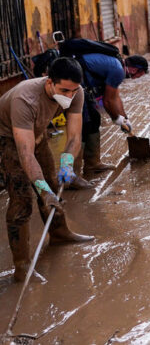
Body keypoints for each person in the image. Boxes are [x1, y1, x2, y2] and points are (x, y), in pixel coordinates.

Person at [1, 57, 94, 282]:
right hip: (7, 140)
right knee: (22, 198)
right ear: (49, 82)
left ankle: (59, 233)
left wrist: (67, 163)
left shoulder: (76, 91)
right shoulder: (26, 99)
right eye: (64, 90)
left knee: (52, 184)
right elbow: (25, 154)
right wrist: (41, 189)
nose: (69, 96)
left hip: (37, 134)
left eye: (73, 91)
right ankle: (22, 266)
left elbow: (73, 136)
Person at [74, 48, 148, 178]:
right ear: (135, 69)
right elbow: (107, 101)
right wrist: (117, 119)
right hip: (74, 82)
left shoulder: (117, 66)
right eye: (138, 75)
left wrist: (125, 119)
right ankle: (73, 175)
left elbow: (115, 97)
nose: (135, 79)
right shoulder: (118, 70)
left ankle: (92, 163)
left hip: (82, 84)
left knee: (95, 119)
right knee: (85, 126)